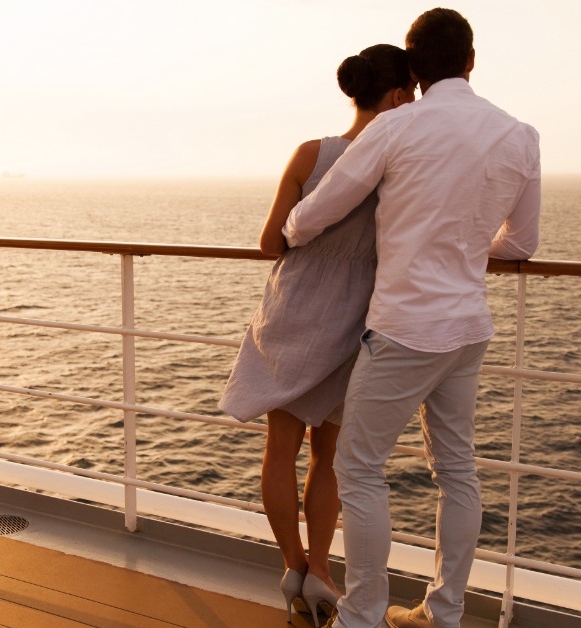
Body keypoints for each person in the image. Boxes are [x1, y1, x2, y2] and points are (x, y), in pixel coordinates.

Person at [283, 8, 540, 628]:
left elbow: (318, 210)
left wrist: (291, 230)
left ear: (415, 70)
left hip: (404, 329)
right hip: (468, 328)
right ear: (471, 61)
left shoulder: (398, 126)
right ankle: (442, 614)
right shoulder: (519, 134)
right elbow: (521, 243)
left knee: (358, 470)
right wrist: (463, 247)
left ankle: (361, 617)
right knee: (457, 472)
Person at [219, 44, 416, 626]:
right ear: (398, 96)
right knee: (328, 456)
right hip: (355, 319)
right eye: (412, 94)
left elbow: (269, 243)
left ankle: (293, 566)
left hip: (292, 311)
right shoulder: (398, 164)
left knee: (279, 448)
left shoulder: (312, 153)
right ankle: (323, 572)